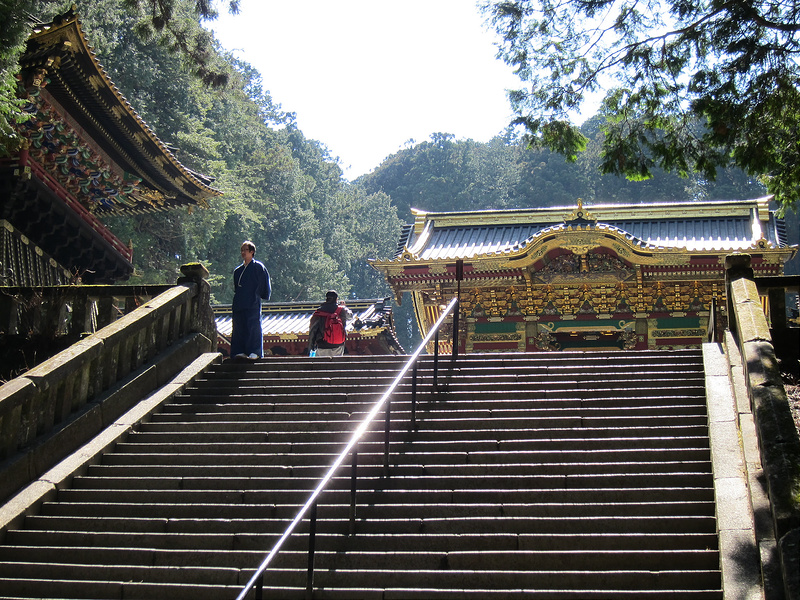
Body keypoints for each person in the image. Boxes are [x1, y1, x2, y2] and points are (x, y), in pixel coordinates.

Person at [231, 240, 271, 359]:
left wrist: (260, 295)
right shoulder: (238, 271)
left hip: (252, 301)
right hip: (239, 302)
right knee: (238, 327)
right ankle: (239, 351)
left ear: (252, 252)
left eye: (245, 250)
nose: (243, 252)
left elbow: (264, 283)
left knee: (253, 326)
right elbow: (236, 287)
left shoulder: (258, 267)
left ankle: (255, 351)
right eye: (242, 250)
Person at [309, 290, 353, 357]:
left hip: (322, 344)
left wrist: (311, 345)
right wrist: (344, 306)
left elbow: (313, 329)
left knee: (322, 366)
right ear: (336, 299)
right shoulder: (341, 310)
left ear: (326, 299)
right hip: (338, 344)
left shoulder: (319, 312)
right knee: (336, 366)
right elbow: (350, 316)